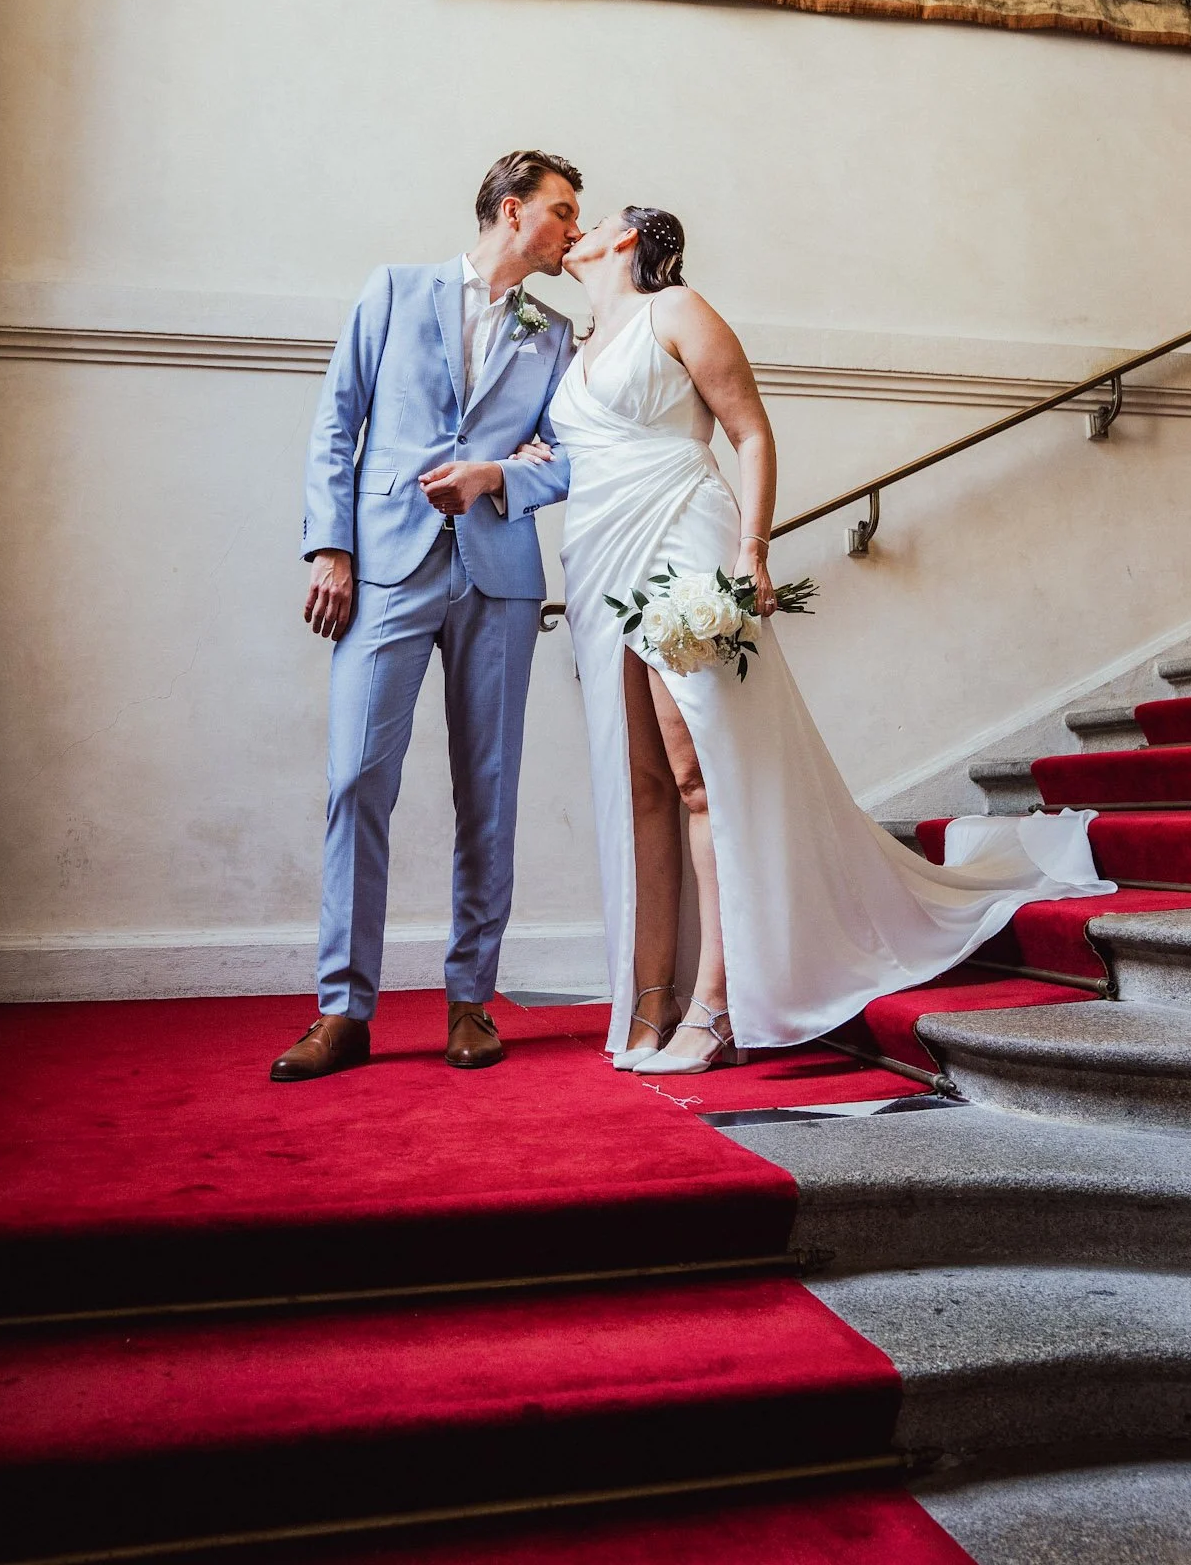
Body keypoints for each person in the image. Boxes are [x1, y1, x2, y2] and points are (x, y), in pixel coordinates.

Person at [518, 207, 1111, 1074]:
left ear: (628, 240)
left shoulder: (676, 309)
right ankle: (651, 995)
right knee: (640, 781)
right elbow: (575, 456)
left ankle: (719, 1005)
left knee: (700, 774)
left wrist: (750, 550)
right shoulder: (576, 344)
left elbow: (750, 431)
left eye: (593, 218)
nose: (577, 226)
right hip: (598, 551)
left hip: (681, 535)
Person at [270, 152, 581, 1082]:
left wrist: (501, 475)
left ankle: (469, 1002)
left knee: (488, 790)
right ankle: (342, 1010)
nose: (574, 229)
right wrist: (332, 549)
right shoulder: (394, 290)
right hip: (386, 571)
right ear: (512, 210)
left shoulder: (556, 334)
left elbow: (574, 458)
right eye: (563, 212)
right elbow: (339, 422)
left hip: (499, 576)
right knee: (356, 778)